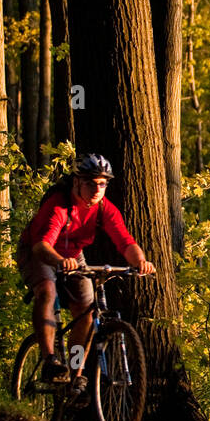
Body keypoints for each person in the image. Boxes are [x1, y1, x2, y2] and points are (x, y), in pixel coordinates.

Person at [17, 153, 155, 400]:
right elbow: (42, 245)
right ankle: (50, 360)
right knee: (47, 292)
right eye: (91, 182)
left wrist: (141, 262)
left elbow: (125, 242)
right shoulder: (59, 206)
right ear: (77, 182)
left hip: (73, 256)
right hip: (39, 251)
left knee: (87, 315)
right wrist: (60, 262)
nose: (97, 188)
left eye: (102, 184)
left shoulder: (104, 208)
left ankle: (74, 372)